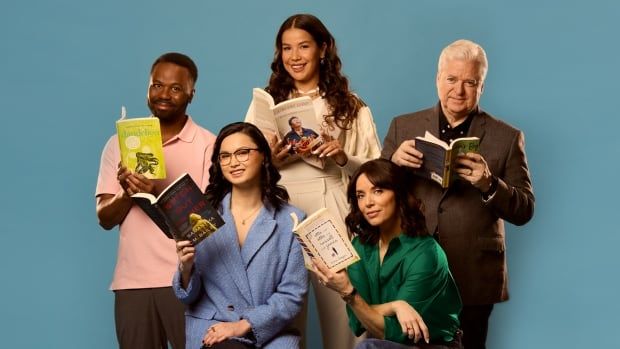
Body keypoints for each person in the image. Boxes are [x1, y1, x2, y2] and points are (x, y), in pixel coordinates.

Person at [382, 39, 535, 349]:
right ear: (438, 79)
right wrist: (392, 163)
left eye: (470, 82)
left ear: (482, 87)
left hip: (474, 271)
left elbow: (524, 209)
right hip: (411, 265)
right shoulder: (403, 126)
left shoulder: (507, 137)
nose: (459, 90)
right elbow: (373, 190)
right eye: (452, 79)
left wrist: (490, 184)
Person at [245, 13, 382, 349]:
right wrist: (270, 162)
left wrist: (341, 158)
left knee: (343, 313)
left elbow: (379, 172)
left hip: (331, 206)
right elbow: (240, 163)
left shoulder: (351, 107)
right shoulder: (264, 105)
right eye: (286, 48)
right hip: (278, 209)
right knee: (281, 316)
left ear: (322, 49)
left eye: (303, 46)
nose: (294, 56)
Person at [95, 52, 216, 348]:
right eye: (156, 85)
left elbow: (206, 225)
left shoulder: (209, 145)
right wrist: (127, 192)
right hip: (132, 282)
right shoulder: (119, 143)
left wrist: (158, 188)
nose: (164, 94)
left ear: (191, 93)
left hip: (188, 280)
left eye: (175, 88)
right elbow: (104, 218)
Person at [173, 122, 308, 349]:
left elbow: (292, 295)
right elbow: (187, 297)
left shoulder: (292, 219)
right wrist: (186, 269)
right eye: (224, 156)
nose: (233, 162)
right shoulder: (201, 216)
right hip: (213, 327)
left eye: (242, 153)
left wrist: (244, 324)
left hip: (269, 332)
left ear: (264, 156)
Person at [312, 159, 463, 349]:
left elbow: (399, 332)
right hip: (382, 342)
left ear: (398, 194)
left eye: (378, 191)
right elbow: (357, 322)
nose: (368, 203)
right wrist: (395, 306)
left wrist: (350, 294)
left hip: (433, 345)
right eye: (360, 195)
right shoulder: (360, 247)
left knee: (368, 347)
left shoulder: (427, 253)